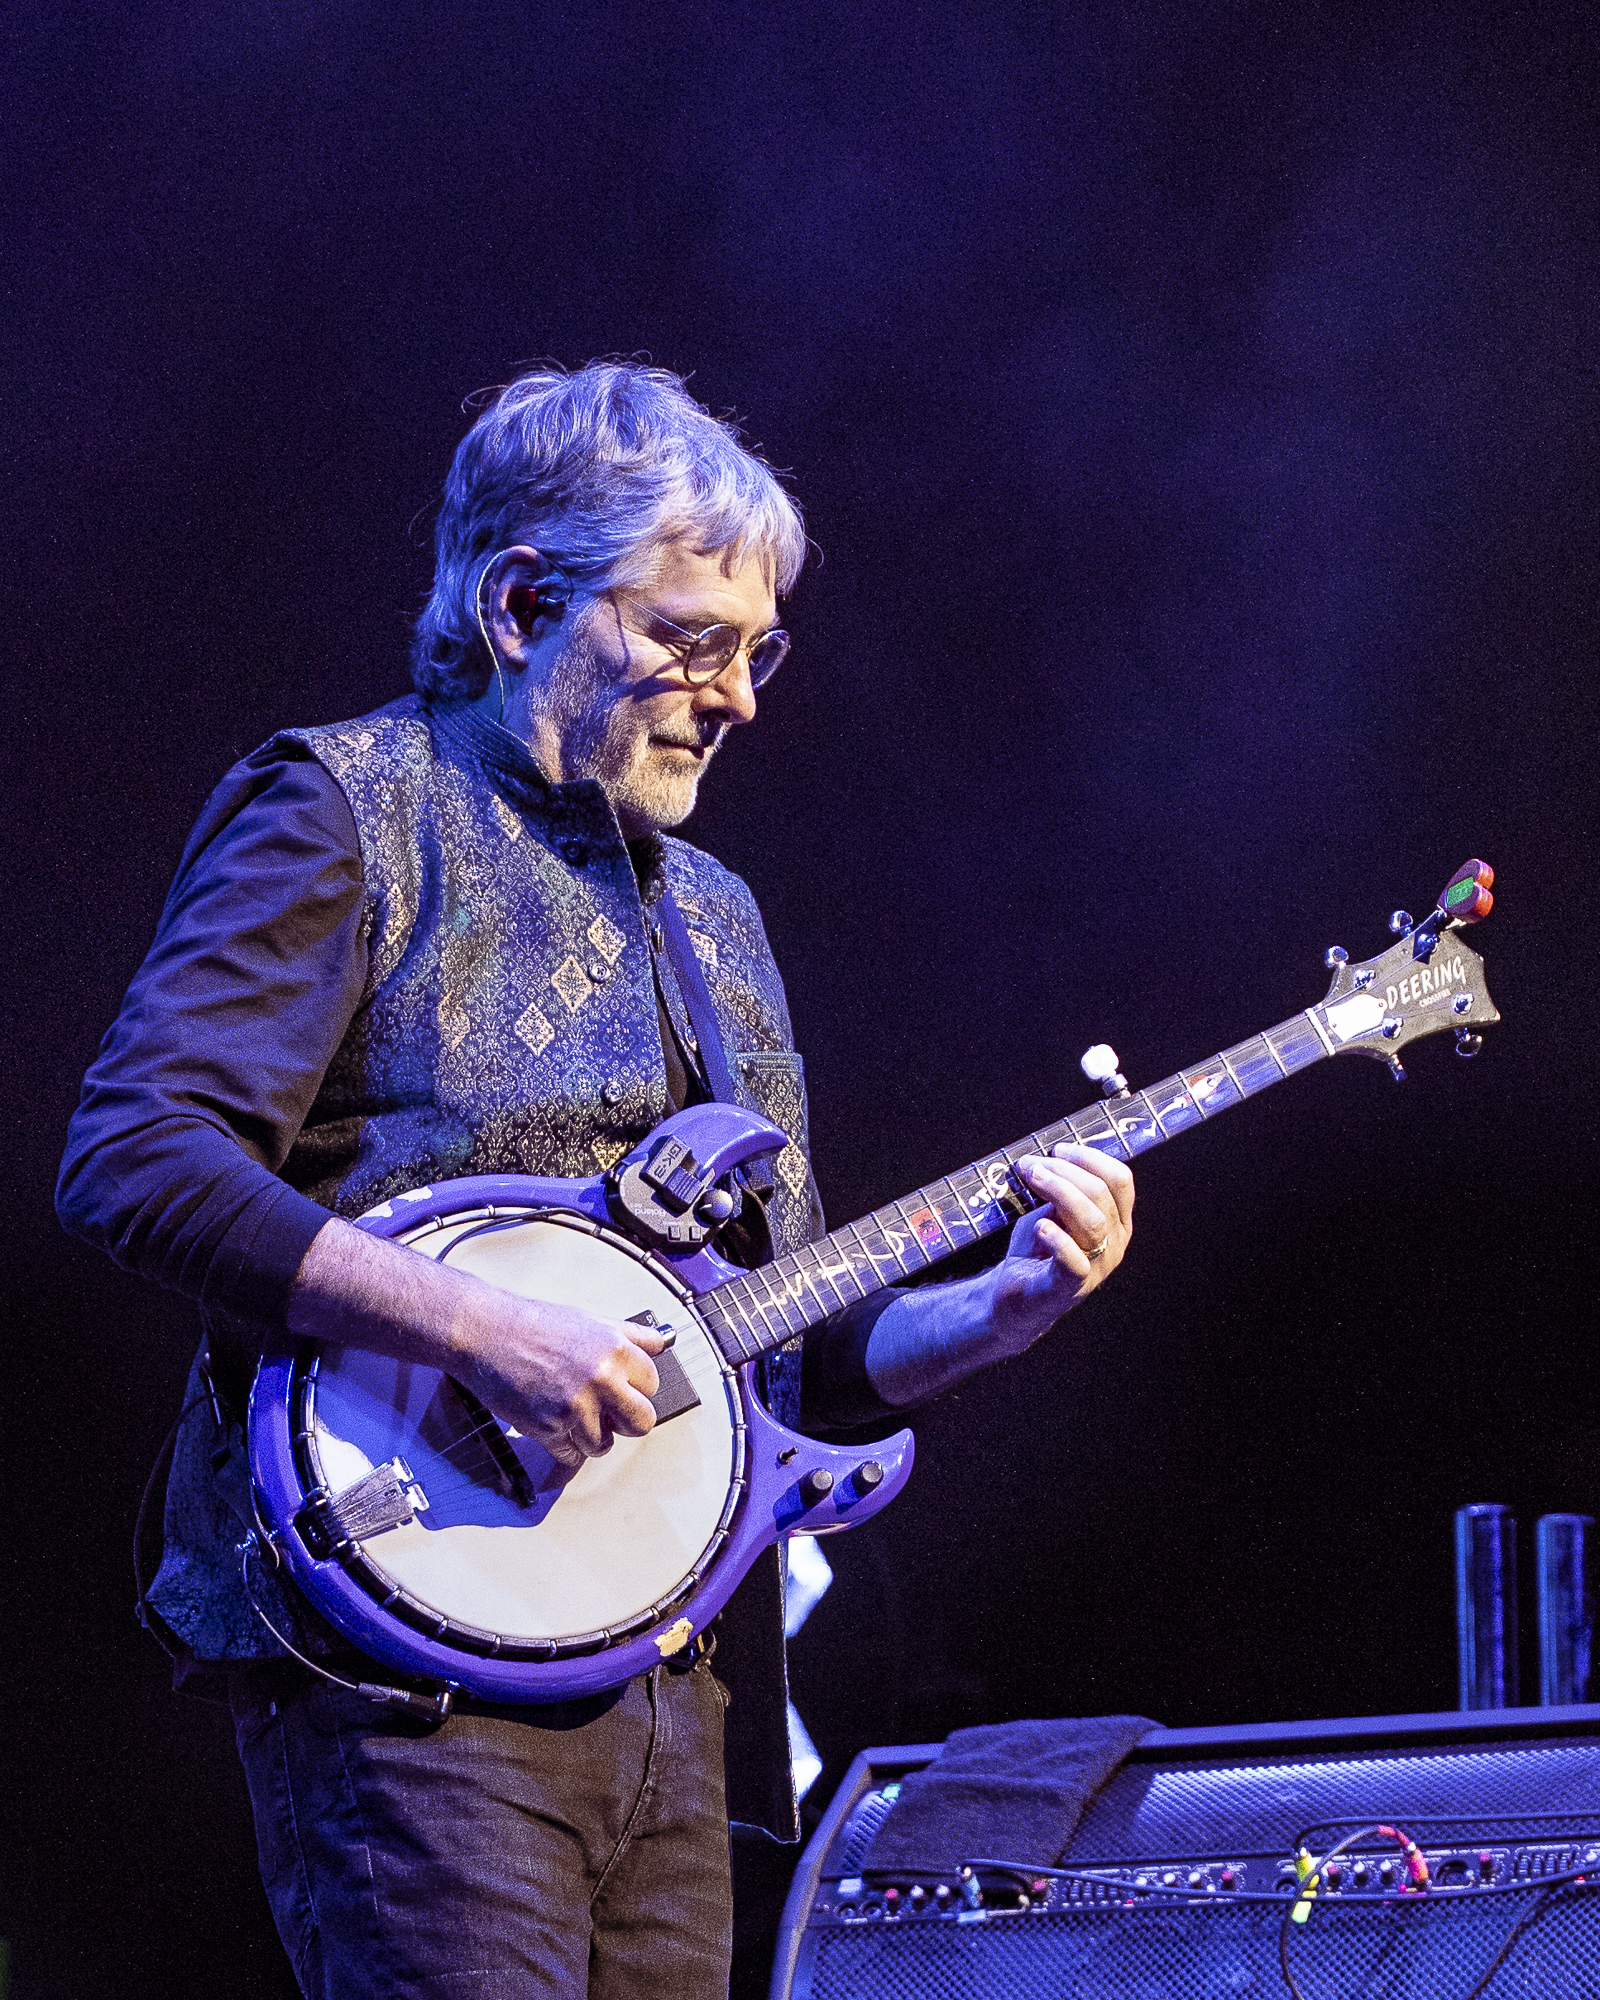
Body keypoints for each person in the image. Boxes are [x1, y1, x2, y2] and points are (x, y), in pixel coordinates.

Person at [56, 361, 1134, 1999]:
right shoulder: (346, 810)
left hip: (673, 1685)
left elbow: (778, 1351)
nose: (741, 695)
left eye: (756, 649)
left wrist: (995, 1311)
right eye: (693, 640)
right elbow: (136, 1153)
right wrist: (486, 1332)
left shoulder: (714, 915)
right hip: (414, 1671)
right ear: (519, 604)